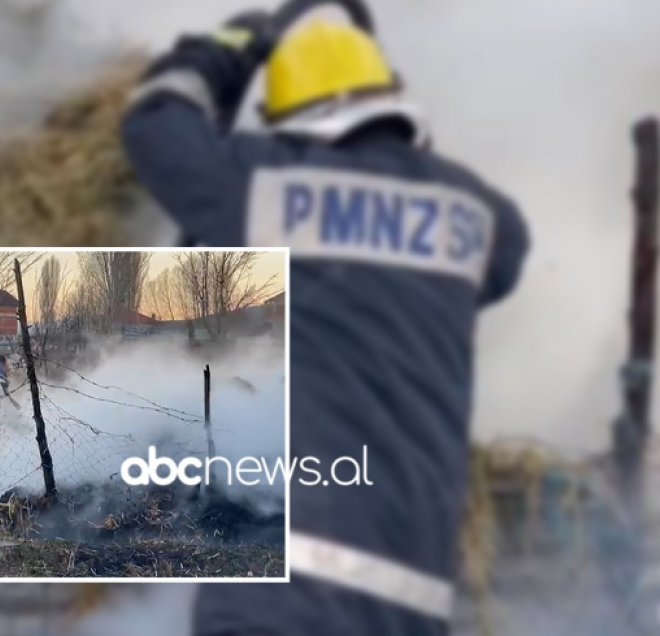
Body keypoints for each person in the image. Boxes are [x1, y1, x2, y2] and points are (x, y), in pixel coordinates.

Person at [120, 17, 530, 636]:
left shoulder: (267, 183)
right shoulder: (476, 214)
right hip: (406, 603)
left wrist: (230, 49)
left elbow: (156, 123)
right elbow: (505, 257)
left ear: (298, 122)